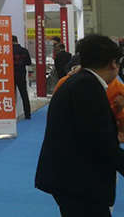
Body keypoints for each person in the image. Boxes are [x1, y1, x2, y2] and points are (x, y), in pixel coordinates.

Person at [35, 34, 124, 216]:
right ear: (113, 63)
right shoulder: (87, 87)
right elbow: (100, 140)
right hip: (79, 181)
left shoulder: (77, 82)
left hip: (71, 177)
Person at [12, 35, 32, 120]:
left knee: (11, 95)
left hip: (11, 75)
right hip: (21, 74)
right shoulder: (24, 50)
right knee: (24, 94)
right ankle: (27, 114)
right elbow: (28, 62)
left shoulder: (8, 51)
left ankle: (11, 114)